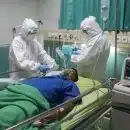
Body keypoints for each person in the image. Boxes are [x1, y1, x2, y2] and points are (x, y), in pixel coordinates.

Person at [0, 69, 81, 129]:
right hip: (13, 88)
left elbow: (69, 103)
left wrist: (53, 115)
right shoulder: (49, 76)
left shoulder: (70, 84)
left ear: (73, 79)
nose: (70, 71)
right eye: (69, 69)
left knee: (5, 118)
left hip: (30, 98)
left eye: (73, 73)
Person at [71, 16, 110, 82]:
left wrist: (73, 56)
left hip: (89, 77)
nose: (86, 34)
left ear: (91, 29)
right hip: (96, 75)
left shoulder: (97, 40)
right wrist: (80, 51)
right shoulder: (102, 37)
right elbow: (92, 54)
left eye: (86, 31)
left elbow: (84, 59)